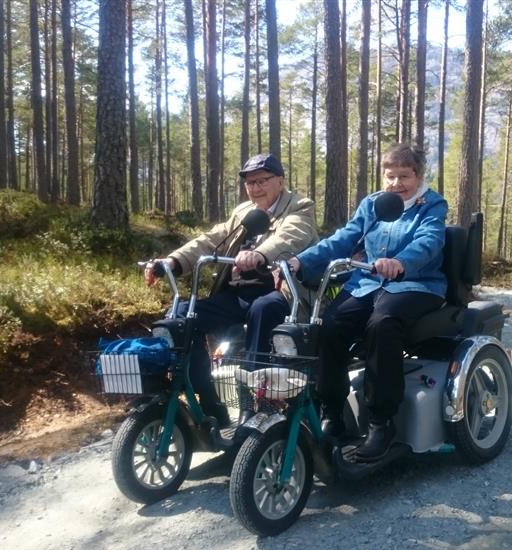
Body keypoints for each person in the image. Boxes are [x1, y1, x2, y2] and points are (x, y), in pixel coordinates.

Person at [289, 143, 446, 461]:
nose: (396, 184)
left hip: (415, 284)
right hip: (367, 284)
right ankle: (334, 414)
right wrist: (300, 262)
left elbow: (430, 240)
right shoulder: (373, 204)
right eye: (390, 176)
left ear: (418, 176)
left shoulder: (432, 204)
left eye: (404, 176)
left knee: (382, 324)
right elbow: (343, 238)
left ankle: (380, 422)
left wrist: (401, 261)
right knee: (328, 326)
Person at [146, 153, 318, 425]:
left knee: (263, 309)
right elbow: (210, 239)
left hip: (281, 293)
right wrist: (173, 261)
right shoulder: (242, 212)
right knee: (180, 315)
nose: (255, 188)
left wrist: (260, 255)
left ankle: (253, 403)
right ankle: (208, 399)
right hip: (237, 295)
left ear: (281, 181)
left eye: (262, 181)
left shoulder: (299, 206)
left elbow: (290, 237)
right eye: (250, 183)